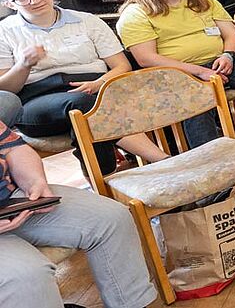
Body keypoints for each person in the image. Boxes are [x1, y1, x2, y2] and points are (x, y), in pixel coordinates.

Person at [0, 0, 168, 174]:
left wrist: (98, 83)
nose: (34, 1)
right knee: (87, 105)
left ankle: (106, 185)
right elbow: (7, 90)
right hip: (36, 101)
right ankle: (163, 161)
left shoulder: (87, 21)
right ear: (9, 4)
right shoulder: (5, 31)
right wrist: (24, 65)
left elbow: (121, 66)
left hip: (97, 87)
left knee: (86, 118)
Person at [0, 122, 159, 308]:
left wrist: (35, 181)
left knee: (112, 218)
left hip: (11, 201)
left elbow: (14, 149)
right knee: (26, 276)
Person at [117, 0, 235, 149]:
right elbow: (146, 58)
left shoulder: (206, 2)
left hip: (221, 63)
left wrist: (228, 54)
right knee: (197, 99)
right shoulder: (135, 13)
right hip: (174, 74)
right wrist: (200, 71)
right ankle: (210, 159)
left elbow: (231, 35)